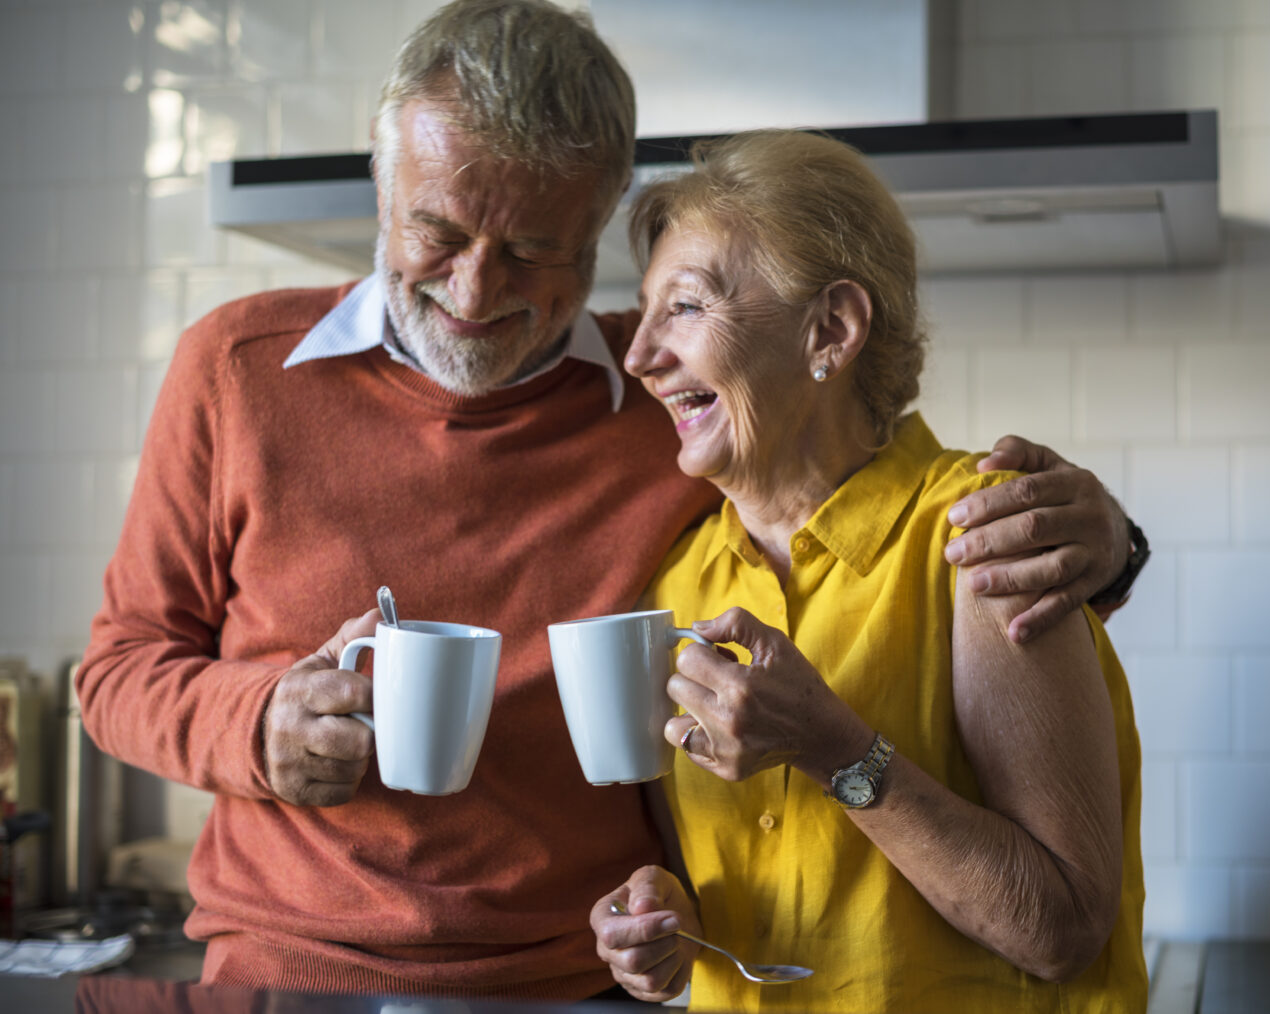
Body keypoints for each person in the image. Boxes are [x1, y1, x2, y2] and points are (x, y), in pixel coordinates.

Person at [75, 0, 1143, 1002]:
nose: (476, 290)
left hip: (574, 984)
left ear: (596, 225)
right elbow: (118, 669)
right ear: (383, 176)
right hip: (288, 968)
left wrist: (1111, 543)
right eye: (438, 233)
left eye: (536, 249)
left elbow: (859, 469)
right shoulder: (237, 366)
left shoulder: (670, 410)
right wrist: (256, 721)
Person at [589, 129, 1147, 1013]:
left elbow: (1062, 929)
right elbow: (714, 889)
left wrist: (834, 748)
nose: (640, 355)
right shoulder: (675, 583)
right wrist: (658, 927)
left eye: (687, 307)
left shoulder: (979, 537)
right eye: (645, 309)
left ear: (831, 330)